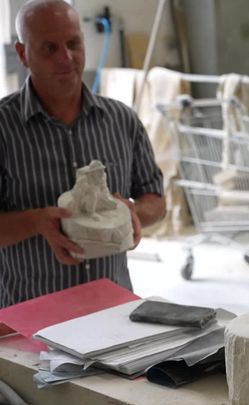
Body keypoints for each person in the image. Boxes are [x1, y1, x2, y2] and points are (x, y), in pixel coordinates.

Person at [0, 0, 165, 307]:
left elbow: (156, 200)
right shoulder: (3, 128)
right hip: (32, 315)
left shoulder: (121, 120)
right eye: (49, 48)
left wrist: (134, 212)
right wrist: (35, 222)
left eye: (73, 43)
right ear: (23, 54)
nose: (66, 58)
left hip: (114, 309)